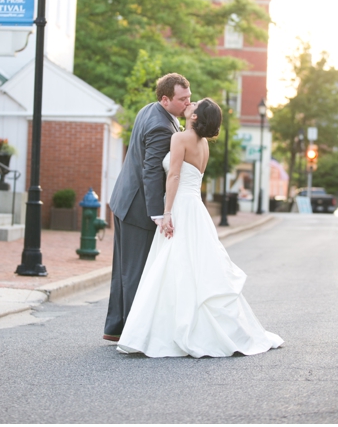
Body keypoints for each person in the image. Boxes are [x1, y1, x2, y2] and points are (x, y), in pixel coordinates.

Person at [116, 99, 283, 357]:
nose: (190, 103)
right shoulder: (203, 144)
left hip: (181, 207)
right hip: (196, 208)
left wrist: (166, 213)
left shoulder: (181, 138)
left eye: (194, 104)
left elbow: (173, 176)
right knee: (193, 267)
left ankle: (172, 331)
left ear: (194, 117)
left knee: (176, 266)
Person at [104, 73, 191, 342]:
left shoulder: (151, 110)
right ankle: (133, 334)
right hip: (137, 208)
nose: (188, 103)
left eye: (189, 96)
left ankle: (115, 328)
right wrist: (157, 213)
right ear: (165, 99)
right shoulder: (161, 127)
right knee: (135, 272)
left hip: (123, 200)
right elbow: (151, 171)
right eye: (182, 99)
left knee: (124, 271)